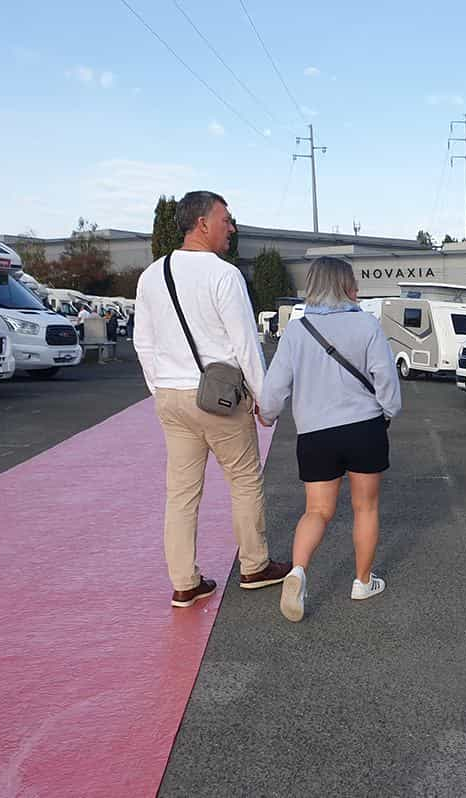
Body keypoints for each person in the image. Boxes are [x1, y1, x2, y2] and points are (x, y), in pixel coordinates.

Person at [134, 190, 290, 608]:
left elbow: (143, 341)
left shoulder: (152, 275)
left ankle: (185, 582)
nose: (232, 228)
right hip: (219, 399)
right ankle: (254, 565)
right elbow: (245, 346)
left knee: (181, 493)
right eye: (227, 219)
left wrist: (161, 386)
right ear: (203, 223)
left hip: (170, 396)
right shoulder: (223, 275)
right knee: (243, 480)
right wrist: (266, 401)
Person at [259, 256, 401, 622]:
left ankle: (298, 572)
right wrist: (388, 410)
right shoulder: (367, 325)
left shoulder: (296, 329)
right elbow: (385, 379)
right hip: (364, 427)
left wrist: (268, 413)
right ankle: (362, 581)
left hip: (315, 433)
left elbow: (275, 387)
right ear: (346, 285)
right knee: (365, 508)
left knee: (317, 511)